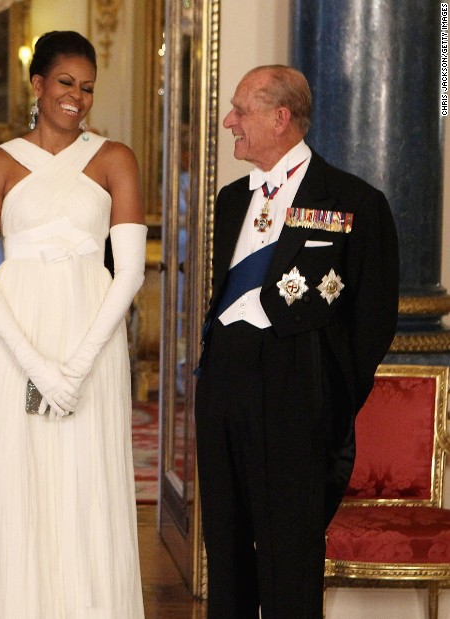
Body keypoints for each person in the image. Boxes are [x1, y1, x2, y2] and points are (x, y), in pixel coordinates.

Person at [195, 65, 399, 619]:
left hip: (295, 383)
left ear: (280, 118)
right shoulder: (231, 199)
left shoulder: (355, 201)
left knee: (290, 547)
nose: (228, 121)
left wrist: (327, 393)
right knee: (227, 539)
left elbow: (374, 317)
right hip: (223, 382)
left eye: (241, 110)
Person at [0, 31, 147, 617]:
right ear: (38, 85)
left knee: (87, 483)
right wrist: (40, 368)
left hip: (91, 335)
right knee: (17, 484)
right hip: (14, 340)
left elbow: (131, 272)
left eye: (88, 87)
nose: (77, 97)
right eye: (66, 83)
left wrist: (76, 367)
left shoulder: (116, 158)